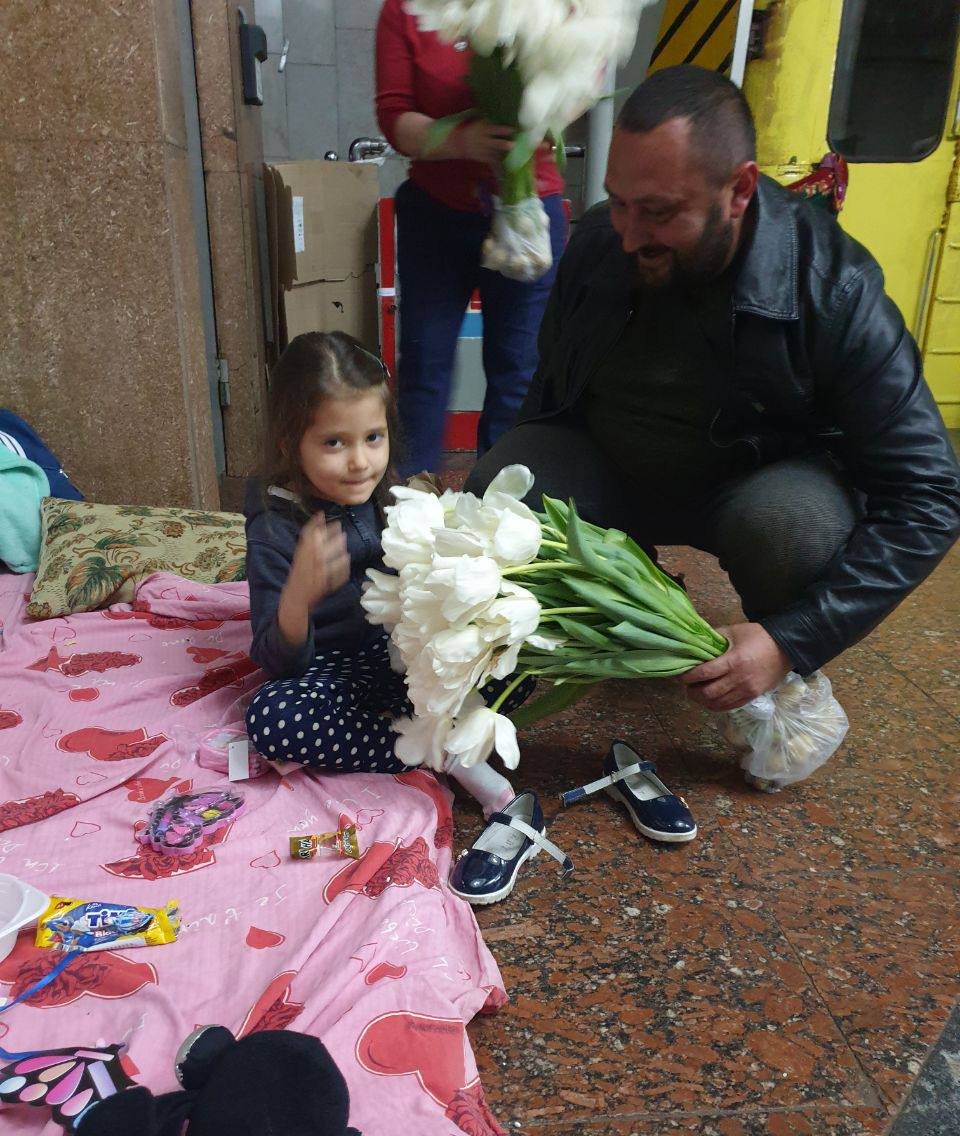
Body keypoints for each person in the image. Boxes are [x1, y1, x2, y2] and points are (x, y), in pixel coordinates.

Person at [468, 66, 960, 713]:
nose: (628, 234)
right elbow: (549, 395)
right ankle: (616, 608)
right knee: (505, 485)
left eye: (659, 212)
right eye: (618, 201)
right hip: (617, 469)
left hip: (752, 484)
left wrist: (792, 640)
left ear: (739, 190)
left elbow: (930, 493)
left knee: (791, 531)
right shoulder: (597, 243)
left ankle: (771, 671)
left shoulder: (834, 287)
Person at [243, 330, 523, 813]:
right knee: (273, 720)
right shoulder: (275, 527)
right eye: (334, 442)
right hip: (326, 671)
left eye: (373, 437)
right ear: (290, 445)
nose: (359, 462)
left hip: (401, 659)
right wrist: (298, 597)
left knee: (516, 657)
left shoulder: (384, 494)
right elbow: (276, 661)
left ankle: (421, 728)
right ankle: (439, 753)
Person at [375, 0, 568, 474]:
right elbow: (394, 114)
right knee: (424, 366)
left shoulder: (559, 7)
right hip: (436, 216)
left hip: (528, 213)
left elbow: (581, 81)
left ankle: (501, 510)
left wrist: (546, 116)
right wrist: (464, 140)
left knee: (518, 372)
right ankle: (408, 508)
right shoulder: (406, 9)